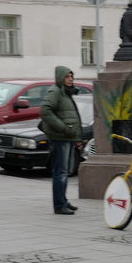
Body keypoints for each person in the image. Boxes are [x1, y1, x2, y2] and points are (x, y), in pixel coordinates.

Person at [40, 67, 83, 216]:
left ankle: (63, 200)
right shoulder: (55, 92)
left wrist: (76, 138)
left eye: (72, 76)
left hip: (68, 138)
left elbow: (72, 117)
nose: (71, 79)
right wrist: (62, 128)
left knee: (65, 172)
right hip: (60, 138)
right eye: (67, 77)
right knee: (60, 173)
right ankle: (59, 205)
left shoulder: (66, 93)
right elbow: (45, 111)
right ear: (60, 78)